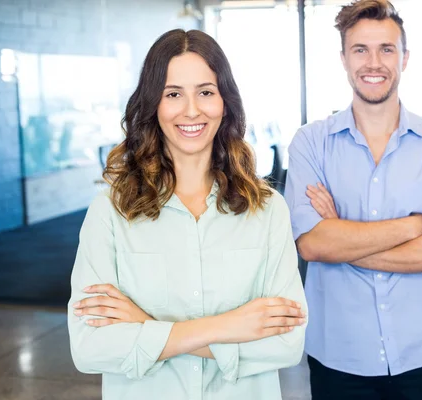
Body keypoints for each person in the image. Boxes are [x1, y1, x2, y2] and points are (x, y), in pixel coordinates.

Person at [68, 29, 307, 400]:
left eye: (206, 92)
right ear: (153, 105)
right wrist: (230, 326)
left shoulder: (268, 209)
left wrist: (145, 326)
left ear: (224, 102)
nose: (191, 110)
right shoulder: (110, 212)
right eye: (173, 94)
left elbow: (287, 345)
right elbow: (89, 347)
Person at [284, 1, 422, 399]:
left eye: (386, 49)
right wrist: (413, 226)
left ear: (405, 57)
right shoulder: (311, 144)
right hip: (338, 359)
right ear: (343, 59)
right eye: (360, 50)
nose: (374, 62)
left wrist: (343, 239)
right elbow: (312, 244)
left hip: (420, 357)